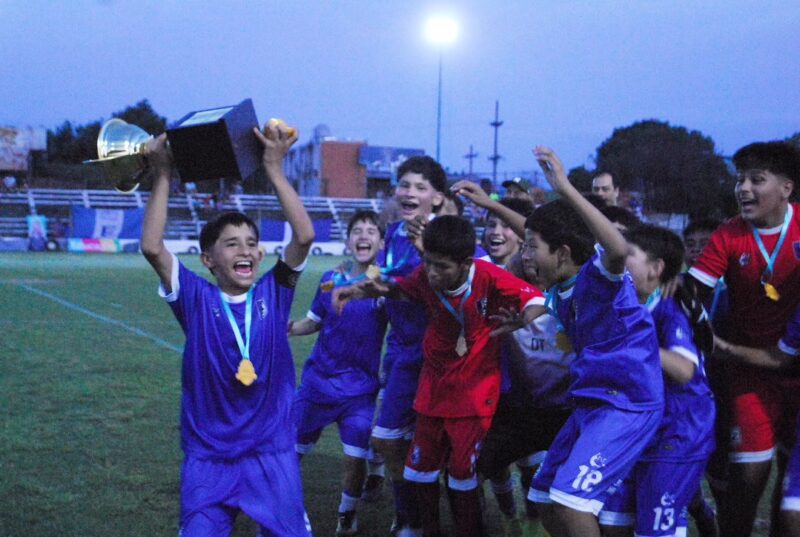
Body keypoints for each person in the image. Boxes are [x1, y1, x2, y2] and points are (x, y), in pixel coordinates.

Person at [139, 121, 314, 537]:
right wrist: (163, 172)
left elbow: (304, 236)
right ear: (208, 260)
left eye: (251, 243)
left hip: (270, 455)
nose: (245, 251)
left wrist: (274, 168)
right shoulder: (195, 299)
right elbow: (152, 247)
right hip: (209, 459)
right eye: (231, 243)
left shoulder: (276, 290)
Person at [334, 215, 546, 537]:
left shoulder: (488, 275)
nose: (432, 273)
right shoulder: (426, 275)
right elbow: (405, 290)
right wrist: (371, 290)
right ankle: (425, 529)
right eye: (429, 263)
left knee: (462, 472)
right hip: (433, 390)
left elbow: (536, 298)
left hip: (474, 395)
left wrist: (521, 319)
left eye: (441, 267)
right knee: (419, 471)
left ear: (464, 263)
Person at [519, 147, 663, 537]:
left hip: (627, 403)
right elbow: (541, 235)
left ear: (563, 253)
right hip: (593, 402)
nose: (524, 254)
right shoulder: (560, 288)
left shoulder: (598, 278)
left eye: (531, 246)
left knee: (570, 502)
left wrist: (564, 188)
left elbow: (617, 248)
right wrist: (493, 207)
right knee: (545, 498)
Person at [687, 141, 800, 537]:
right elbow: (692, 294)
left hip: (796, 372)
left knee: (791, 492)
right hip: (749, 374)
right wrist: (698, 335)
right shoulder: (729, 234)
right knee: (747, 483)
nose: (743, 189)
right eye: (739, 180)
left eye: (756, 179)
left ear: (786, 188)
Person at [599, 224, 716, 537]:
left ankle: (699, 513)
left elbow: (683, 370)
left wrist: (638, 343)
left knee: (654, 530)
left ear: (656, 268)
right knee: (610, 524)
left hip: (678, 432)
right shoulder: (621, 303)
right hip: (637, 429)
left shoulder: (669, 309)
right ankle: (698, 509)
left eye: (628, 256)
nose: (617, 260)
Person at [289, 210, 388, 536]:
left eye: (371, 230)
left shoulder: (384, 285)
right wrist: (286, 328)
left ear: (381, 241)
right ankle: (278, 504)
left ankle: (347, 517)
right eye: (357, 230)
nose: (363, 235)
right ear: (348, 240)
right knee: (290, 454)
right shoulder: (330, 278)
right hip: (318, 385)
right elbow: (313, 322)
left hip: (359, 392)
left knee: (354, 457)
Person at [372, 155, 447, 536]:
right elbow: (382, 273)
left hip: (434, 356)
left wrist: (425, 249)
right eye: (404, 185)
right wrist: (364, 282)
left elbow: (446, 289)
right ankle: (410, 516)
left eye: (420, 187)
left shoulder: (443, 237)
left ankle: (421, 519)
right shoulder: (393, 233)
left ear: (436, 198)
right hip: (399, 351)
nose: (409, 193)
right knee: (388, 440)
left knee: (433, 447)